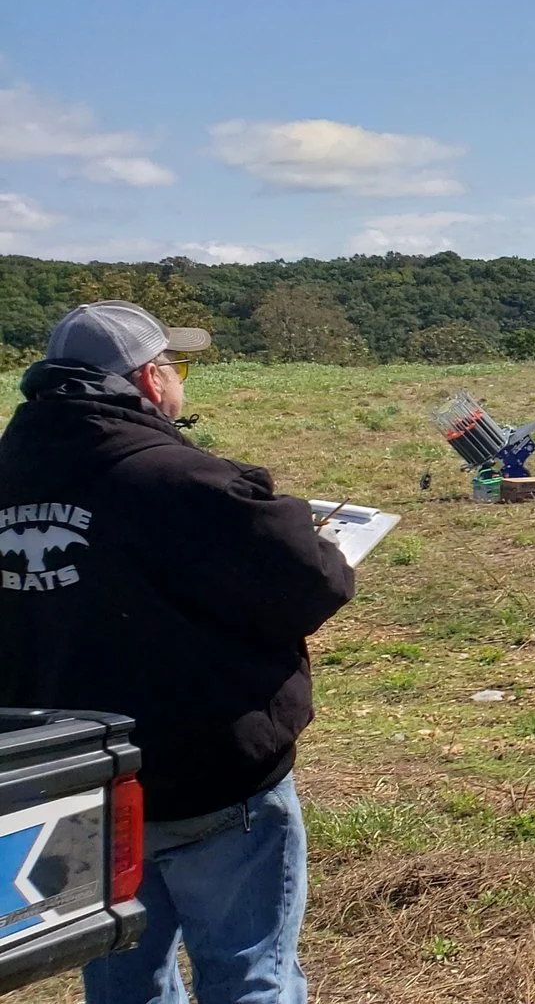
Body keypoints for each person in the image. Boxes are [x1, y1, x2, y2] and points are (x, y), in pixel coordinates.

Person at [0, 301, 355, 1004]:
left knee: (121, 974)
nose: (178, 381)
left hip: (71, 780)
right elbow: (311, 581)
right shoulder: (178, 481)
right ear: (147, 379)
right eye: (175, 365)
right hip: (210, 778)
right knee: (249, 973)